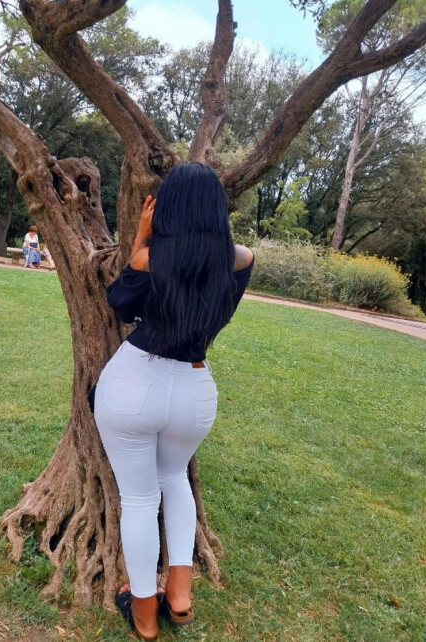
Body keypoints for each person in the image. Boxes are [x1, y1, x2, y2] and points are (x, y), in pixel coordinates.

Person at [93, 162, 255, 641]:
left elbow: (120, 305)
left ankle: (144, 614)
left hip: (134, 384)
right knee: (175, 479)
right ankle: (180, 597)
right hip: (194, 389)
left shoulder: (150, 259)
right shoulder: (240, 260)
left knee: (140, 500)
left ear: (168, 210)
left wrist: (140, 242)